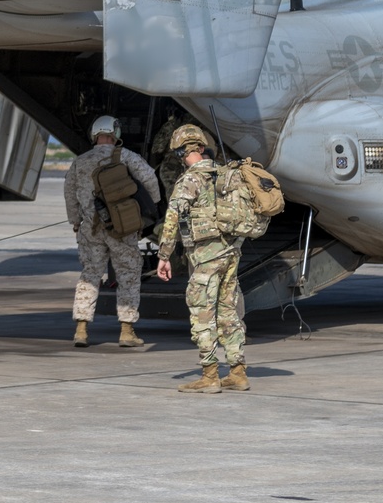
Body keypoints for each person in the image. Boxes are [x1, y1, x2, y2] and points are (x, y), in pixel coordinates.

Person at [156, 124, 249, 393]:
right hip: (232, 253)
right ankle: (238, 372)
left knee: (202, 313)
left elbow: (172, 218)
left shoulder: (189, 180)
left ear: (182, 152)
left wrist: (164, 256)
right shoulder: (225, 174)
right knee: (229, 312)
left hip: (207, 257)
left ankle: (210, 376)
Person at [64, 115, 160, 349]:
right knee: (128, 273)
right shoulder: (127, 157)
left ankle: (81, 330)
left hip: (90, 229)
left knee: (90, 275)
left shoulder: (81, 162)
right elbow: (150, 179)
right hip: (121, 227)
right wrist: (151, 209)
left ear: (94, 135)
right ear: (115, 133)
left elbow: (69, 193)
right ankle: (127, 332)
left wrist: (75, 220)